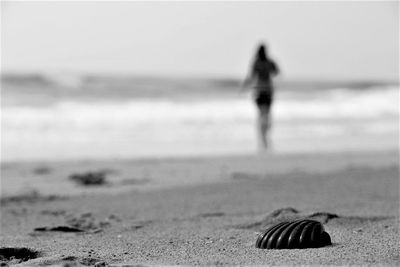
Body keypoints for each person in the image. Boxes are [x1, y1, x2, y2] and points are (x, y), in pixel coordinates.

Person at [242, 43, 279, 149]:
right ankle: (266, 134)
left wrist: (244, 87)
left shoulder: (256, 63)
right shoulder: (269, 62)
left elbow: (251, 77)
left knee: (261, 114)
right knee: (267, 114)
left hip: (259, 91)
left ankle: (262, 136)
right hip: (268, 90)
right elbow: (276, 72)